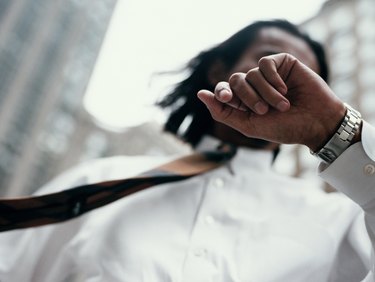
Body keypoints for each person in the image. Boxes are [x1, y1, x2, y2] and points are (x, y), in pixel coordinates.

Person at [0, 19, 373, 282]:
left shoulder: (342, 220)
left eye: (303, 80)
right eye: (268, 58)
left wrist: (334, 130)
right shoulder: (98, 181)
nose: (281, 82)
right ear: (218, 71)